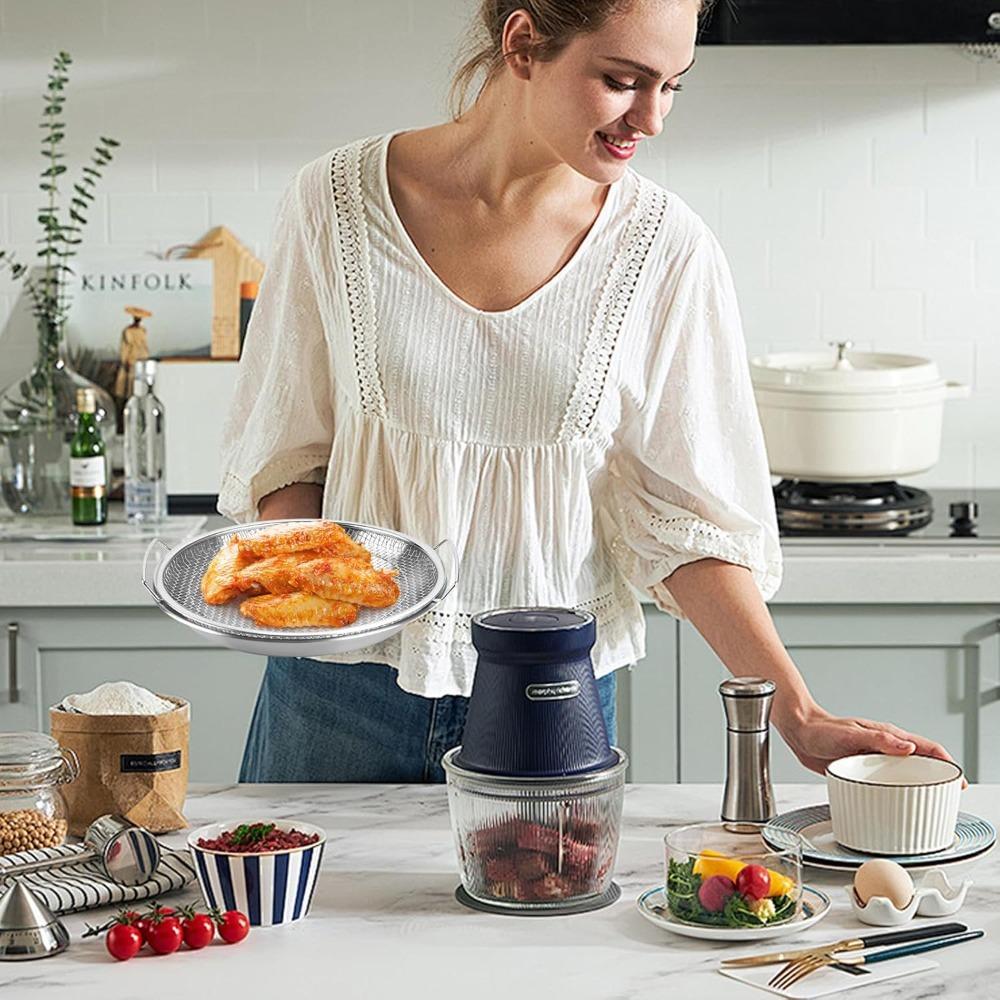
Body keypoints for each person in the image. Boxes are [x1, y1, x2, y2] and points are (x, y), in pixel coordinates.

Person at [218, 0, 956, 783]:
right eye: (622, 80)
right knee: (290, 908)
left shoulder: (666, 252)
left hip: (550, 698)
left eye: (673, 86)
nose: (652, 118)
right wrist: (295, 594)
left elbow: (685, 525)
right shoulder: (333, 203)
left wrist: (798, 713)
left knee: (550, 908)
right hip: (337, 692)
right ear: (525, 43)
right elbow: (288, 456)